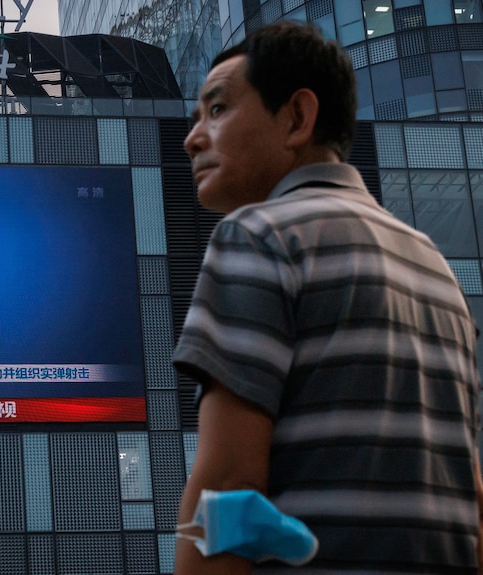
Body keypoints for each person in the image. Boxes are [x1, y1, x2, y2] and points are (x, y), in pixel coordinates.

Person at [172, 21, 483, 575]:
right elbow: (469, 497)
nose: (194, 137)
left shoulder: (258, 237)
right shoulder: (437, 271)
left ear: (297, 117)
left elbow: (228, 487)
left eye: (217, 110)